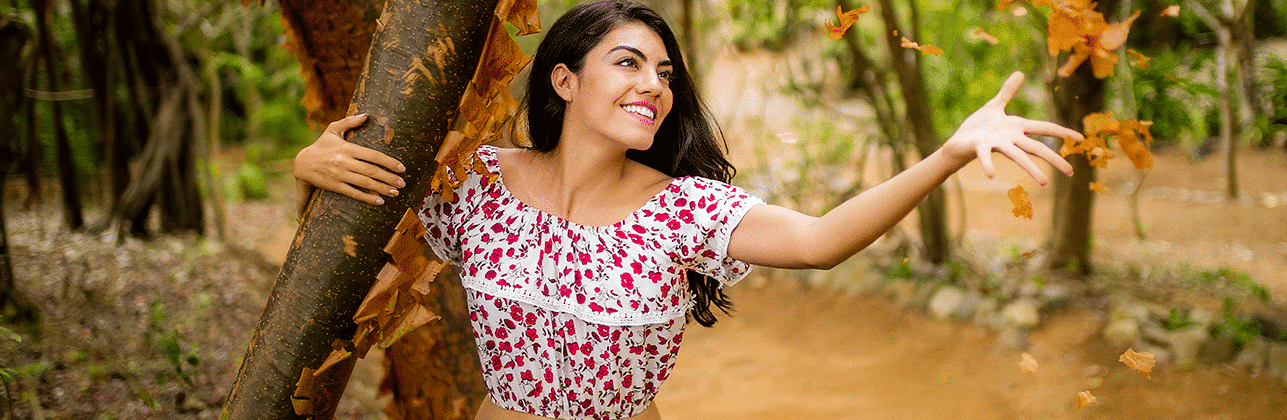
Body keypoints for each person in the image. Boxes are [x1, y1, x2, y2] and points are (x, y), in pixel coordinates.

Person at [293, 1, 1080, 419]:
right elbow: (356, 240)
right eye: (627, 62)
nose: (654, 85)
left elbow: (819, 242)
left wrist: (947, 154)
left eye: (664, 72)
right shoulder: (479, 180)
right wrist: (309, 168)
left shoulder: (684, 210)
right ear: (564, 81)